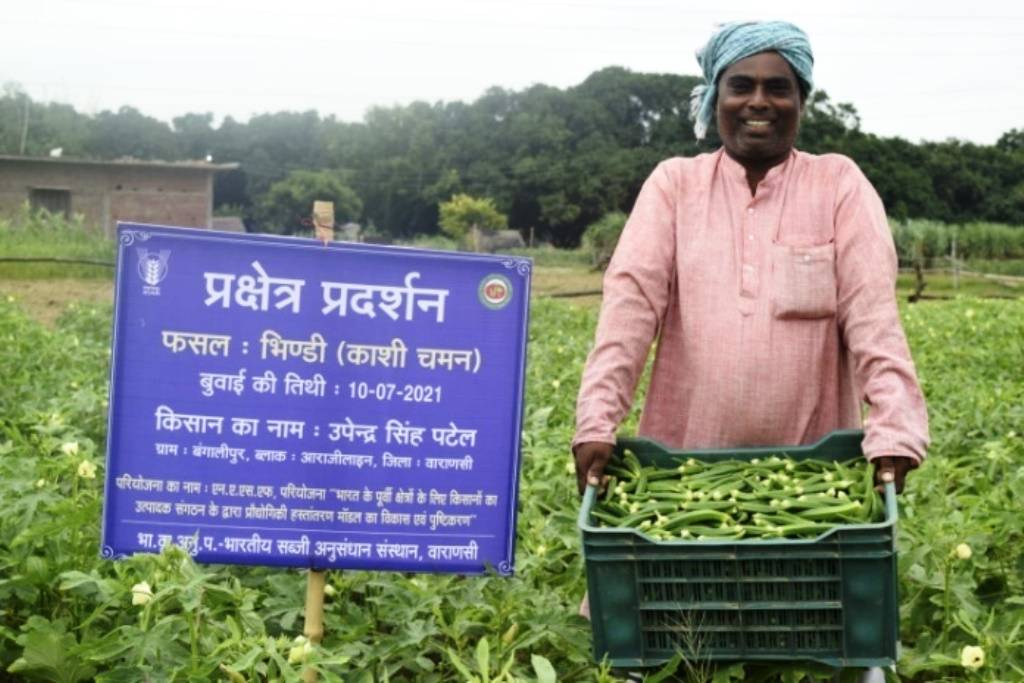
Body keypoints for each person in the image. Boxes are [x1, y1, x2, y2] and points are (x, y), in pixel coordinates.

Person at [573, 21, 929, 498]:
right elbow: (628, 312)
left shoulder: (839, 184)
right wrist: (597, 421)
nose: (758, 101)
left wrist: (894, 428)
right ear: (715, 99)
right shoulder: (674, 186)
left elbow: (874, 319)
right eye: (740, 86)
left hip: (816, 476)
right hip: (682, 475)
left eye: (778, 88)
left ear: (800, 102)